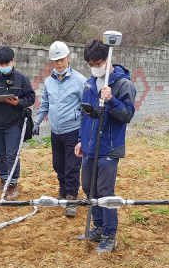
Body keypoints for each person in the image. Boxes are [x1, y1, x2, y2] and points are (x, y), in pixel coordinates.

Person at [75, 39, 136, 253]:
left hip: (109, 147)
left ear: (107, 60)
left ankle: (110, 235)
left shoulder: (122, 84)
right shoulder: (91, 83)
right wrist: (81, 140)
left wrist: (112, 100)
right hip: (90, 147)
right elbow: (85, 115)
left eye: (98, 62)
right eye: (90, 63)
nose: (94, 67)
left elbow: (127, 115)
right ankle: (99, 227)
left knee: (105, 192)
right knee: (88, 188)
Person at [33, 41, 87, 217]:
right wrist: (37, 121)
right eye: (56, 61)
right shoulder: (49, 82)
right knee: (59, 165)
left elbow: (86, 109)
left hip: (73, 131)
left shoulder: (80, 81)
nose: (59, 63)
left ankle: (72, 199)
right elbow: (45, 105)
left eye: (62, 59)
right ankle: (63, 193)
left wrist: (83, 135)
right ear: (52, 62)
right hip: (56, 132)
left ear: (69, 58)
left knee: (72, 167)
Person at [0, 46, 35, 201]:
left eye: (6, 64)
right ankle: (4, 180)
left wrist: (18, 102)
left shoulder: (21, 79)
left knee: (12, 155)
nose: (4, 67)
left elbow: (31, 98)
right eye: (0, 64)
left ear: (13, 61)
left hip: (13, 124)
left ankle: (13, 185)